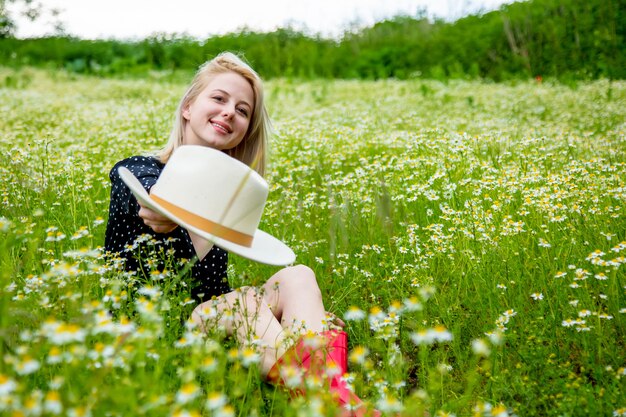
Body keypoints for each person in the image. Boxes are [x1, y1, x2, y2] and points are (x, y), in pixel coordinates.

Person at [105, 52, 380, 417]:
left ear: (245, 130)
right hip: (149, 333)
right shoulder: (139, 169)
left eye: (242, 110)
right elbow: (150, 201)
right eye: (218, 99)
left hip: (210, 327)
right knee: (243, 301)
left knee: (298, 277)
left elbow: (214, 294)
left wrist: (302, 315)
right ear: (188, 106)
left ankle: (327, 394)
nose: (229, 112)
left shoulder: (231, 200)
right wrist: (160, 210)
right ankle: (342, 406)